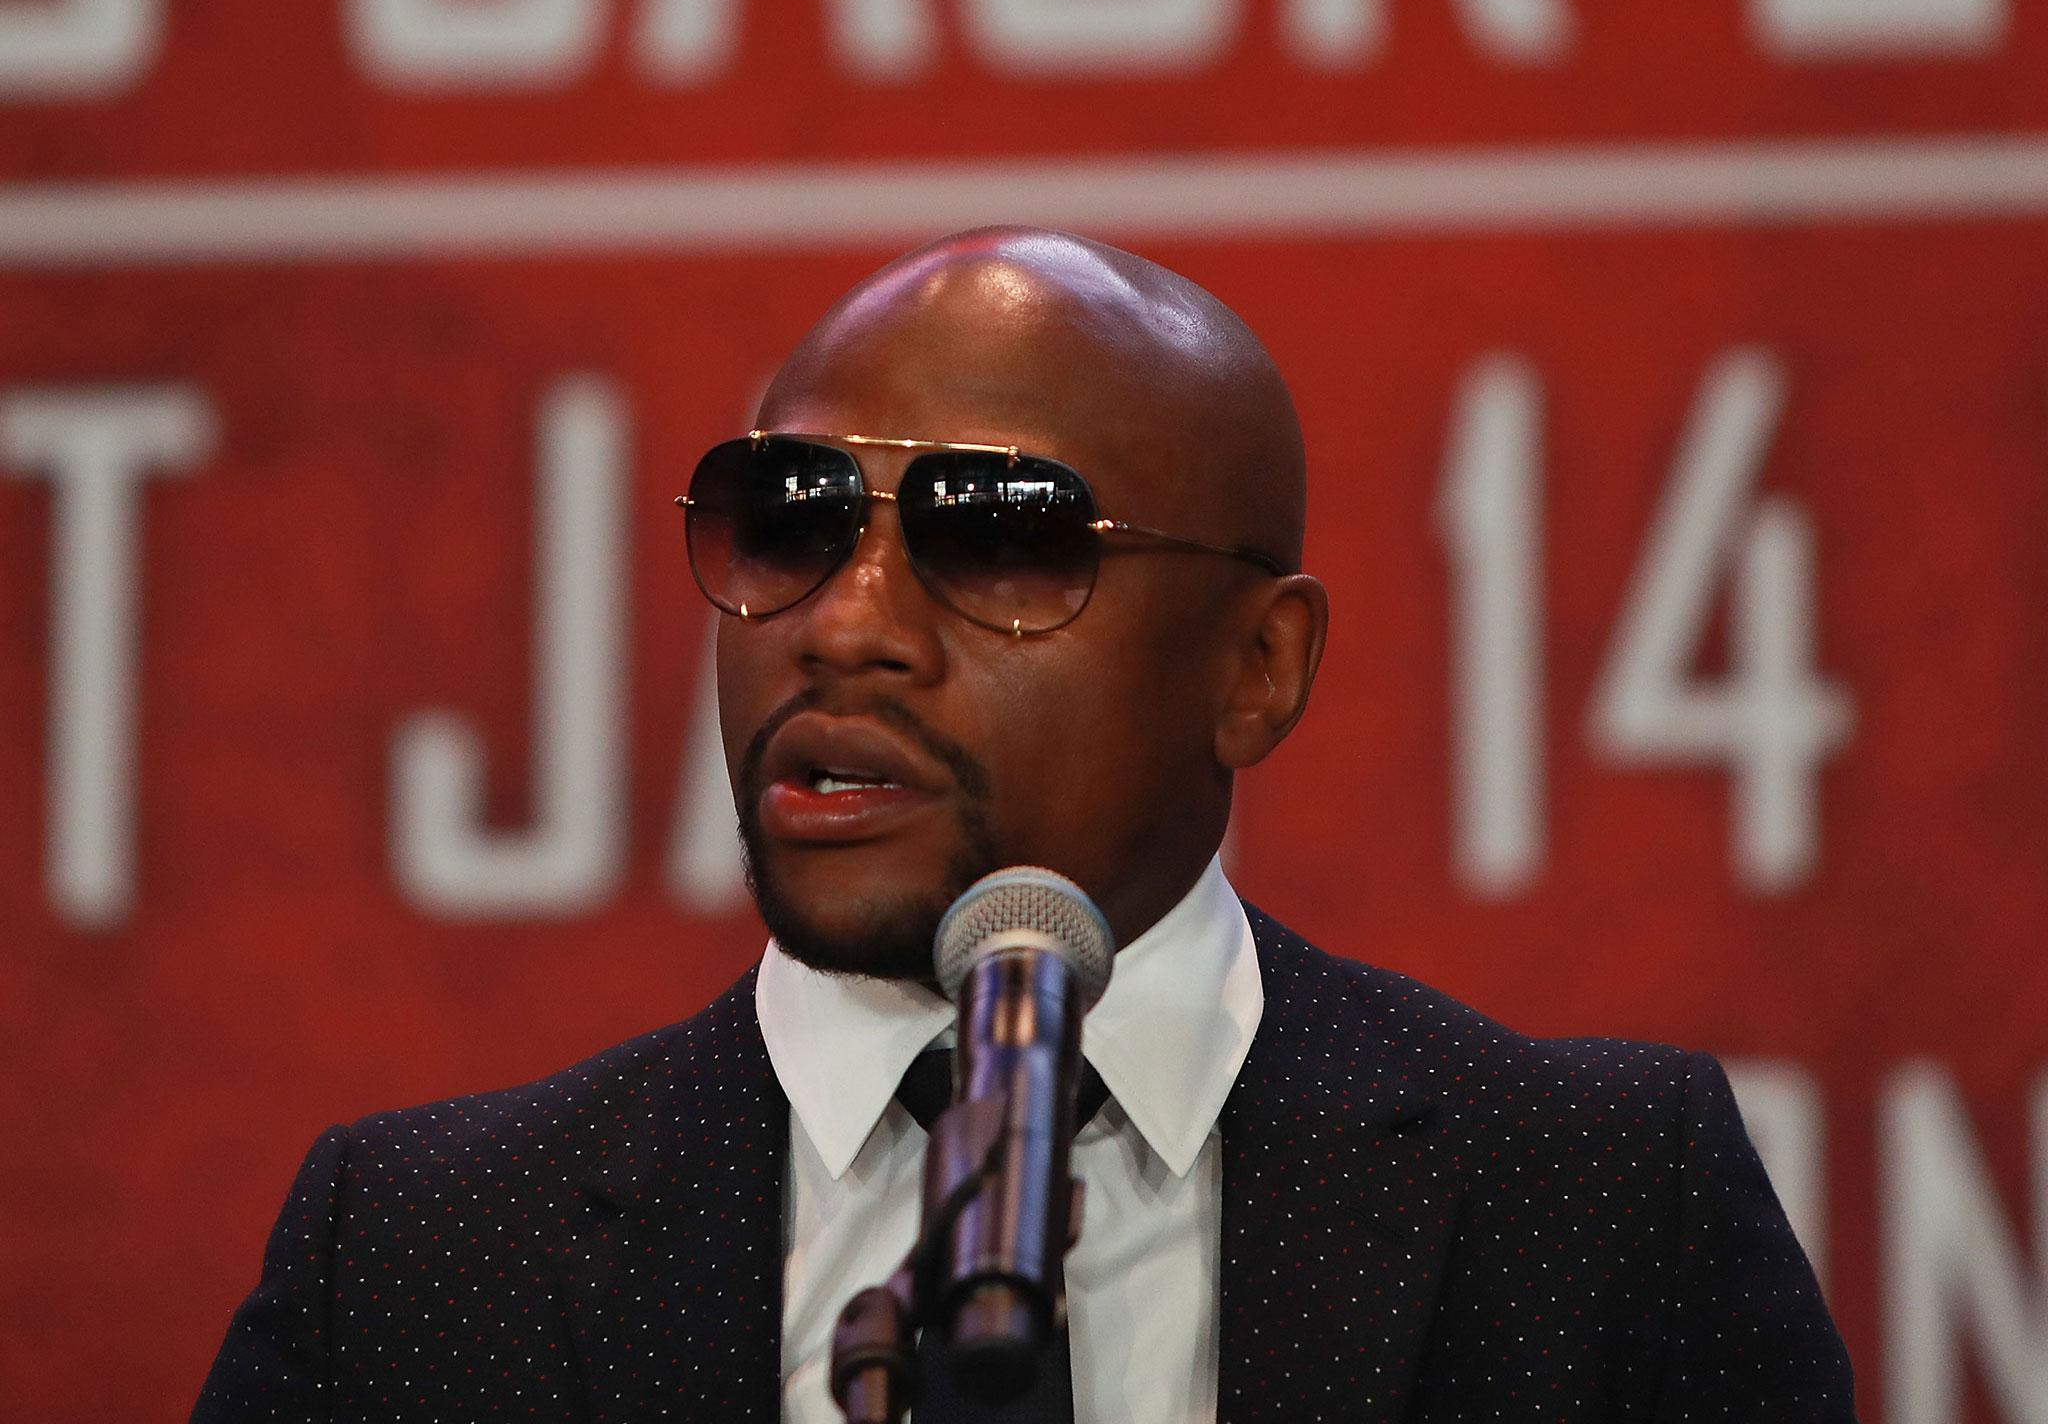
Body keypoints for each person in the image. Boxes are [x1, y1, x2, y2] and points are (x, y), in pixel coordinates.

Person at [194, 228, 1857, 1422]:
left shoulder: (1601, 1206)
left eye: (994, 542)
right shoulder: (415, 1254)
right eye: (788, 523)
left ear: (1258, 671)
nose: (845, 625)